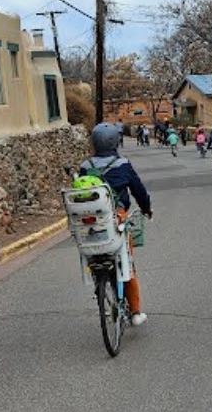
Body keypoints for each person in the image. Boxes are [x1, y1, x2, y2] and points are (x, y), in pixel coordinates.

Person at [79, 123, 153, 326]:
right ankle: (136, 312)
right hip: (117, 217)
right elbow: (139, 190)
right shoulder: (122, 163)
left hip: (90, 220)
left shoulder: (85, 166)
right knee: (127, 263)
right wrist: (146, 209)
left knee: (96, 252)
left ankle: (98, 281)